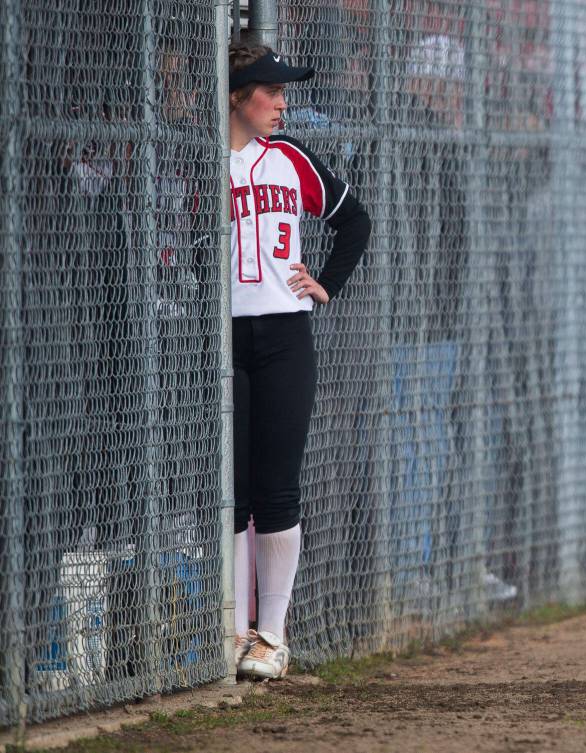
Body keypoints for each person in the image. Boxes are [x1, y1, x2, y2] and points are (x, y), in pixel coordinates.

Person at [227, 42, 371, 679]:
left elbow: (355, 221)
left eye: (285, 91)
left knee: (276, 485)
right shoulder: (196, 156)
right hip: (219, 335)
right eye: (270, 89)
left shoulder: (288, 158)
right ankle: (230, 633)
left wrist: (327, 285)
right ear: (236, 94)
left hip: (286, 333)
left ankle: (271, 636)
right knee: (228, 492)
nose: (283, 101)